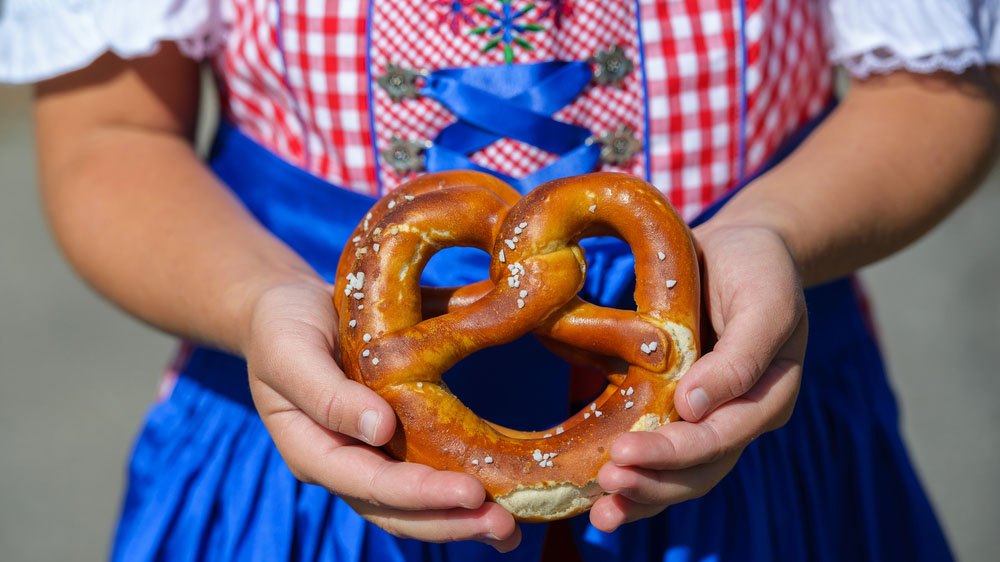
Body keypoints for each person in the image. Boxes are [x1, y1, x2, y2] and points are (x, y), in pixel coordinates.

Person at [2, 0, 996, 559]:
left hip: (742, 435)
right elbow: (109, 135)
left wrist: (774, 232)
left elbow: (938, 95)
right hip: (307, 453)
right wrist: (259, 299)